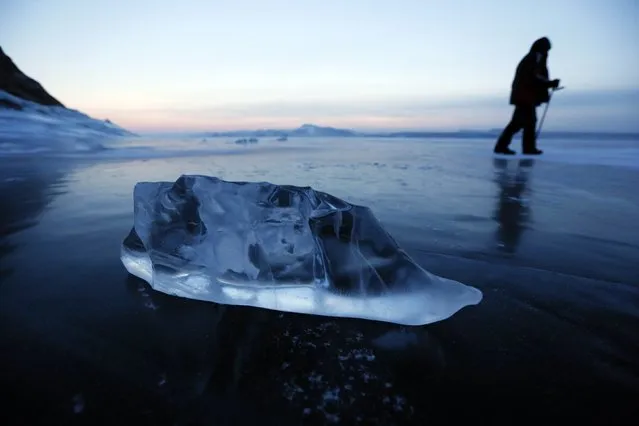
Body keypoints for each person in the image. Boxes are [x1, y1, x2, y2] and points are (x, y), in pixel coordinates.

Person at [494, 37, 560, 155]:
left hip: (525, 96)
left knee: (522, 122)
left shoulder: (534, 58)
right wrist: (549, 84)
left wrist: (548, 84)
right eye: (546, 49)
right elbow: (532, 77)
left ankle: (513, 147)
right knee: (524, 122)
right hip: (525, 96)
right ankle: (524, 148)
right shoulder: (533, 58)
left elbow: (535, 77)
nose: (547, 52)